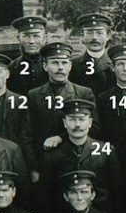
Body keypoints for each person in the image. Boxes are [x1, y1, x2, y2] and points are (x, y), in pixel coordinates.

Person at [25, 42, 98, 183]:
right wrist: (33, 168)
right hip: (44, 164)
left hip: (75, 161)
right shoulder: (34, 95)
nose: (60, 68)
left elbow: (95, 127)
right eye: (55, 63)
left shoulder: (84, 93)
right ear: (45, 66)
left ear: (70, 66)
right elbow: (27, 135)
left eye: (64, 63)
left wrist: (60, 137)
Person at [40, 99, 122, 213]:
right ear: (64, 123)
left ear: (89, 123)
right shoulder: (53, 154)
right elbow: (45, 195)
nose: (77, 124)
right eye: (72, 119)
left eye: (82, 119)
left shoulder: (107, 150)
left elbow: (117, 191)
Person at [69, 13, 116, 96]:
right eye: (89, 32)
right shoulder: (72, 65)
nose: (94, 37)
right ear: (82, 36)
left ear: (108, 36)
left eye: (99, 33)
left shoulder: (116, 64)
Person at [7, 15, 49, 96]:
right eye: (26, 36)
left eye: (36, 36)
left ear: (45, 38)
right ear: (18, 38)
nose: (31, 41)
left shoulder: (54, 65)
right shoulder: (12, 68)